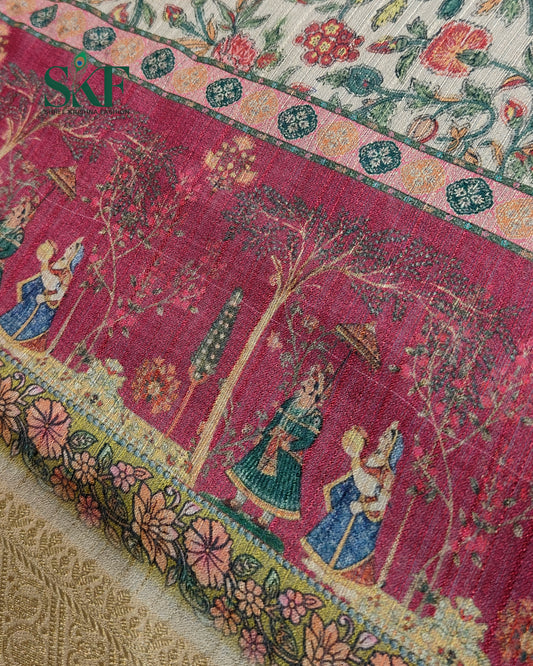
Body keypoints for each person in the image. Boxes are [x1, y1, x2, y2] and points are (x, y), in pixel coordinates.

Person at [302, 421, 404, 586]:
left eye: (386, 437)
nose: (381, 439)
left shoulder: (387, 474)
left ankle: (340, 578)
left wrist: (363, 506)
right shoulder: (371, 458)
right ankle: (322, 568)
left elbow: (377, 498)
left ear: (391, 446)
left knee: (350, 547)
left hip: (363, 518)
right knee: (333, 534)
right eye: (384, 435)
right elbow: (356, 479)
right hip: (347, 506)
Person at [226, 366, 326, 527]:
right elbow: (275, 420)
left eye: (309, 383)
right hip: (271, 441)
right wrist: (264, 433)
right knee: (251, 470)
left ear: (315, 390)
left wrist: (291, 445)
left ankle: (265, 520)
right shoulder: (291, 402)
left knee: (279, 486)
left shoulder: (315, 417)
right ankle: (237, 501)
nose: (304, 384)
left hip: (288, 455)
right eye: (306, 381)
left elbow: (309, 440)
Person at [0, 237, 84, 351]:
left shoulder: (67, 274)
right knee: (20, 313)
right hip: (35, 295)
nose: (67, 249)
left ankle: (18, 343)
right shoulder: (56, 263)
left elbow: (59, 294)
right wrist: (45, 260)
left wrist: (45, 298)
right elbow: (44, 276)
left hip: (45, 304)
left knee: (31, 324)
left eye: (70, 248)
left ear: (74, 255)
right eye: (69, 247)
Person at [0, 197, 38, 287]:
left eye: (17, 209)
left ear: (21, 216)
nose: (13, 209)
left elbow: (9, 252)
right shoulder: (2, 222)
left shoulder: (18, 234)